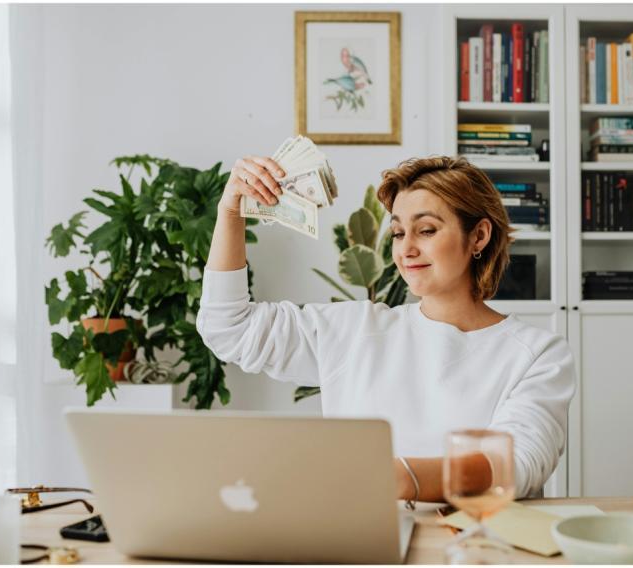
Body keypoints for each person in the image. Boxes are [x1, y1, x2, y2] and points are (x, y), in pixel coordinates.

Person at [197, 154, 575, 505]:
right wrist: (230, 212)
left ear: (478, 236)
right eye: (397, 233)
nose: (406, 249)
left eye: (426, 230)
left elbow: (517, 465)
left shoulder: (537, 354)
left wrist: (396, 476)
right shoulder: (354, 331)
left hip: (471, 542)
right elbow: (229, 328)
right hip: (362, 538)